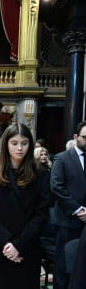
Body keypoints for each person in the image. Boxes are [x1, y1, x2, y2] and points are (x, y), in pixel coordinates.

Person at [0, 123, 50, 289]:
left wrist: (18, 245)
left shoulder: (40, 172)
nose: (19, 148)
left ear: (30, 145)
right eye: (14, 143)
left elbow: (41, 214)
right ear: (6, 144)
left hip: (27, 246)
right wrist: (7, 242)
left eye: (24, 143)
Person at [50, 121, 86, 289]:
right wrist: (78, 210)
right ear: (75, 137)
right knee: (63, 266)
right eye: (85, 138)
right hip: (67, 221)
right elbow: (56, 187)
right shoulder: (62, 158)